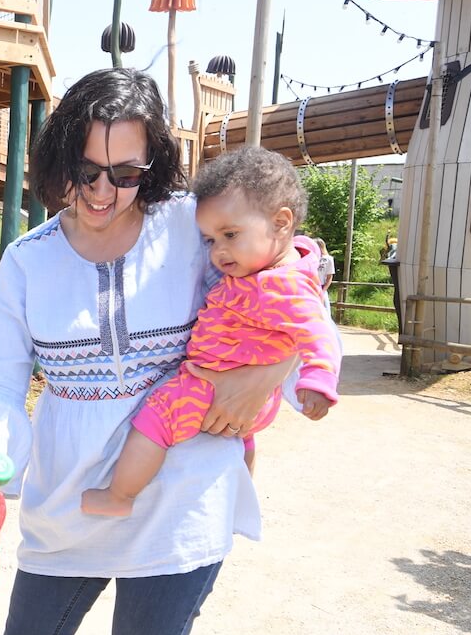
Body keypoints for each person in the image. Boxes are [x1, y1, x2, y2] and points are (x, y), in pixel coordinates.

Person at [0, 67, 299, 635]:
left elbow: (290, 279)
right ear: (59, 158)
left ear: (154, 165)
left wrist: (271, 372)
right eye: (85, 171)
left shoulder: (192, 230)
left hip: (181, 496)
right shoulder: (27, 262)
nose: (102, 192)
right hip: (71, 500)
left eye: (126, 173)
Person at [81, 148, 341, 517]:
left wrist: (319, 381)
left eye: (230, 235)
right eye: (210, 240)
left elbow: (319, 334)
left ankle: (119, 496)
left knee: (156, 418)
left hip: (210, 385)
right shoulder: (278, 269)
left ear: (281, 223)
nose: (219, 251)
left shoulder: (283, 286)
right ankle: (238, 501)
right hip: (248, 397)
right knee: (242, 438)